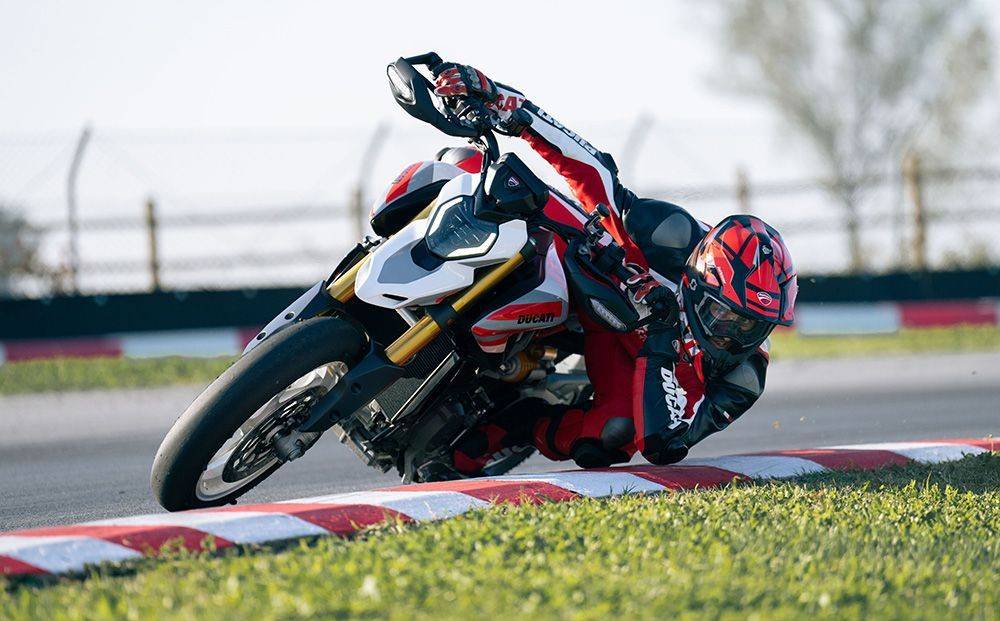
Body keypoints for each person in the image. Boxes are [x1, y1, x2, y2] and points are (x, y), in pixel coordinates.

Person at [430, 62, 798, 473]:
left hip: (634, 350)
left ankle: (507, 429)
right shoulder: (666, 236)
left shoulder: (741, 381)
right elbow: (595, 175)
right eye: (725, 316)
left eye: (751, 327)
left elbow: (664, 444)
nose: (732, 336)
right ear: (697, 283)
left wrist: (661, 334)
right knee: (491, 184)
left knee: (609, 437)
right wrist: (505, 104)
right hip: (595, 279)